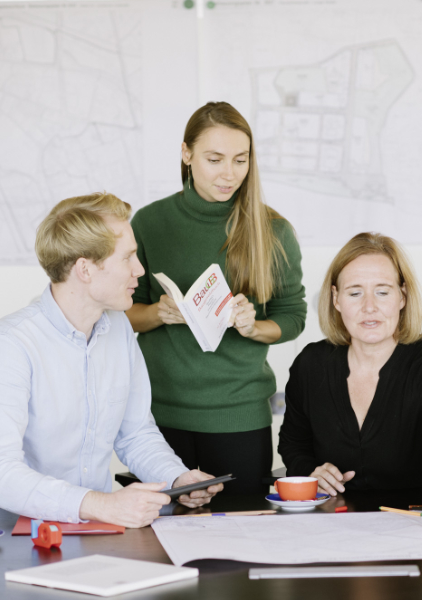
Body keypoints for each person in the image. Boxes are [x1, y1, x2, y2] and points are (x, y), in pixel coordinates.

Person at [0, 193, 223, 527]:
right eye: (127, 258)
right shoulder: (9, 345)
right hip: (18, 527)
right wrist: (99, 505)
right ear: (85, 269)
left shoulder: (118, 329)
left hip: (96, 526)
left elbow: (135, 434)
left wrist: (177, 479)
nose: (139, 270)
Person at [126, 102, 307, 494]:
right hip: (157, 418)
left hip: (239, 416)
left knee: (240, 526)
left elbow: (292, 316)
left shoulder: (273, 229)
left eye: (241, 160)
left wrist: (254, 327)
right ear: (186, 154)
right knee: (160, 530)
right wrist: (158, 313)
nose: (229, 174)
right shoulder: (149, 223)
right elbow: (121, 315)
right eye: (214, 159)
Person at [278, 232, 422, 521]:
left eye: (382, 292)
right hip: (332, 524)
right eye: (354, 293)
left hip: (413, 522)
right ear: (335, 299)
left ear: (402, 297)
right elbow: (293, 443)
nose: (369, 307)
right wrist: (311, 473)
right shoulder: (311, 364)